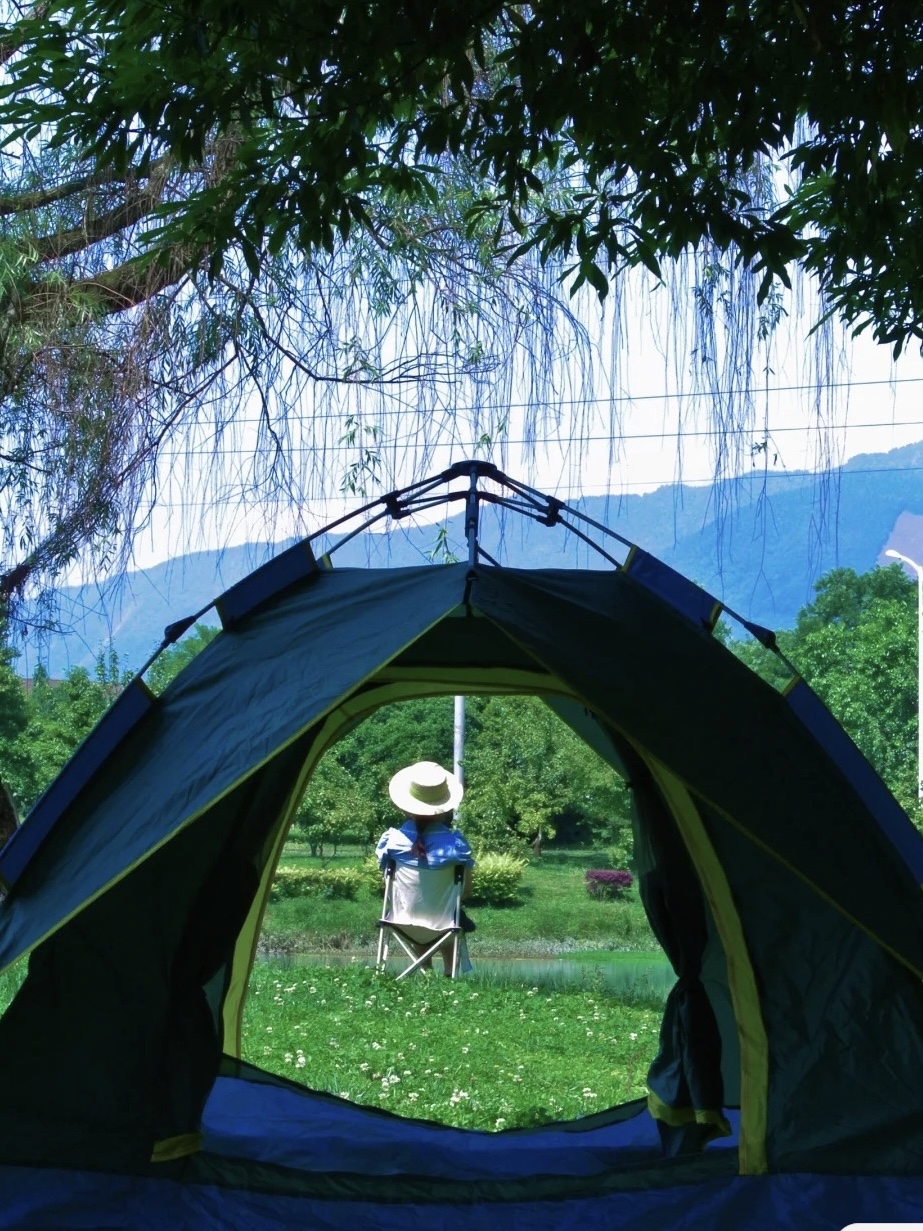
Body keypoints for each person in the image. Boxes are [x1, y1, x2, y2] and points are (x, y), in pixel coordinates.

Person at [376, 761, 476, 972]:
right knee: (454, 917)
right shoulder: (456, 846)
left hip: (401, 922)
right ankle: (450, 975)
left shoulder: (392, 841)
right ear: (444, 809)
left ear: (405, 806)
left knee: (413, 912)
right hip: (445, 925)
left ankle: (425, 974)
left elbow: (387, 884)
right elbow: (466, 890)